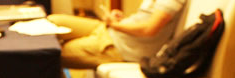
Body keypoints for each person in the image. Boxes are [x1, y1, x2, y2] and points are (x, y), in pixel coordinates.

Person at [48, 0, 186, 69]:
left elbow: (149, 30)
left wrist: (115, 25)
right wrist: (121, 19)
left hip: (119, 47)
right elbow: (144, 19)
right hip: (110, 30)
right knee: (53, 21)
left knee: (52, 53)